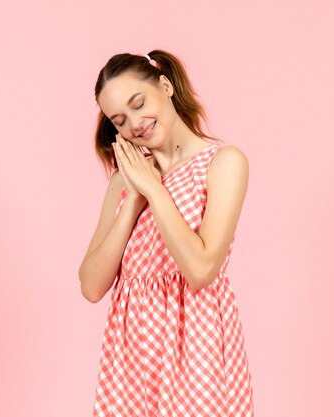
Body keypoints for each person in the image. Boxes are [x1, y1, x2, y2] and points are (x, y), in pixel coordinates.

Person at [78, 49, 255, 417]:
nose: (135, 124)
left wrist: (155, 191)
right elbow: (92, 286)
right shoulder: (124, 181)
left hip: (195, 352)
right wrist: (132, 200)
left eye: (138, 103)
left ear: (165, 85)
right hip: (131, 360)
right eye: (120, 120)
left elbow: (202, 269)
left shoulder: (223, 163)